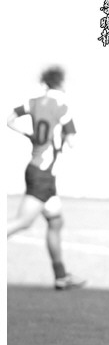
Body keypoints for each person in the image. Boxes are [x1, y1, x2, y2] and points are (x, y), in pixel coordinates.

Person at [7, 66, 85, 290]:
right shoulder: (62, 107)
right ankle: (61, 276)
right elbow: (72, 141)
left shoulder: (33, 103)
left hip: (39, 170)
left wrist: (28, 135)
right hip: (43, 174)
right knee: (23, 221)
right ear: (60, 82)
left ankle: (61, 276)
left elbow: (10, 119)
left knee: (55, 221)